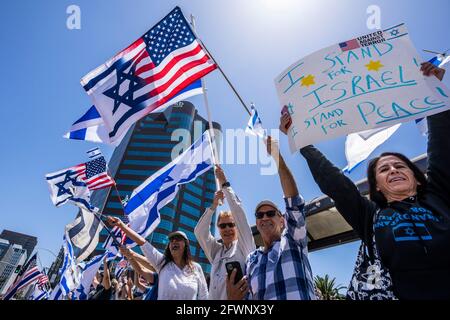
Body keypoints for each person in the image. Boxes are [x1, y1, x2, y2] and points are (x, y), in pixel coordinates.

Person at [279, 62, 449, 299]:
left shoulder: (439, 198)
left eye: (400, 166)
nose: (393, 170)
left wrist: (433, 91)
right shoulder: (371, 217)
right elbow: (335, 183)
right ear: (377, 186)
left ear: (418, 179)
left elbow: (443, 145)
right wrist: (302, 140)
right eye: (384, 169)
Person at [227, 136, 316, 300]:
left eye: (270, 213)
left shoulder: (292, 240)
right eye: (260, 215)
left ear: (282, 220)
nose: (265, 217)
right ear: (257, 223)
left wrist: (277, 158)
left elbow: (293, 201)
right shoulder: (252, 260)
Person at [107, 217, 208, 300]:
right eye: (171, 240)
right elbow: (142, 242)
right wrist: (121, 225)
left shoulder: (196, 268)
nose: (174, 241)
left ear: (186, 244)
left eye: (178, 239)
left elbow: (204, 296)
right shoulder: (162, 263)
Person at [194, 165, 255, 300]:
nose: (227, 229)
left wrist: (225, 184)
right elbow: (199, 232)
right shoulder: (216, 252)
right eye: (222, 226)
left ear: (236, 226)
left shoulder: (244, 246)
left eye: (231, 224)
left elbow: (238, 213)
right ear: (219, 229)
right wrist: (213, 206)